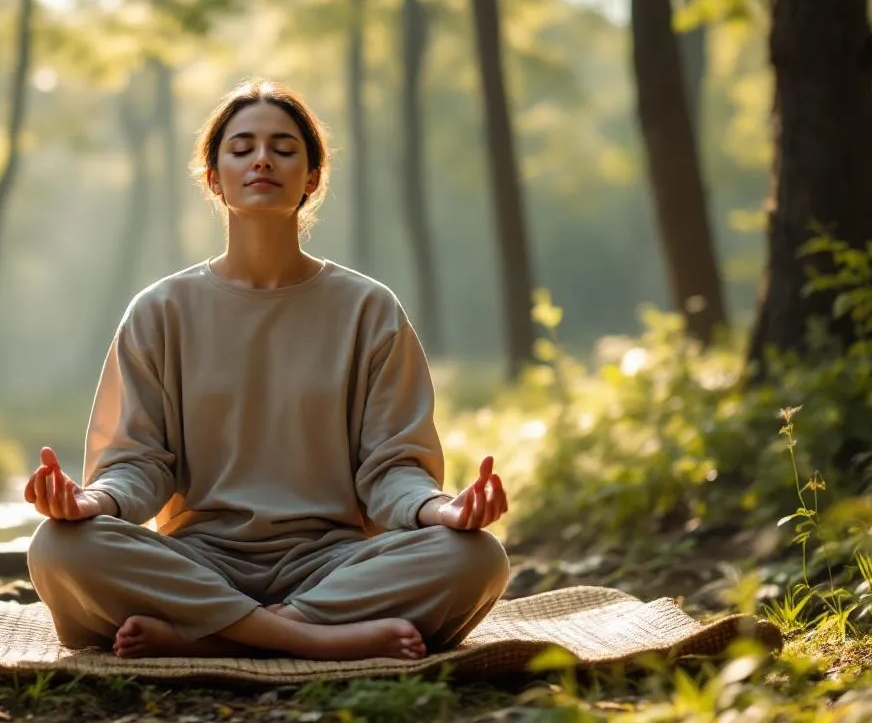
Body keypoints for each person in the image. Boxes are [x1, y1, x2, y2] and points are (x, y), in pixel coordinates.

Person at [25, 79, 510, 662]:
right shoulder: (161, 311)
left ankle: (208, 637)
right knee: (60, 546)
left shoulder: (368, 309)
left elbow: (393, 469)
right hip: (199, 560)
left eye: (283, 148)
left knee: (476, 557)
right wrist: (89, 505)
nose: (262, 159)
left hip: (331, 563)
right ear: (213, 177)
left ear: (310, 178)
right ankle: (307, 639)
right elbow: (137, 463)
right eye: (241, 147)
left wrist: (444, 510)